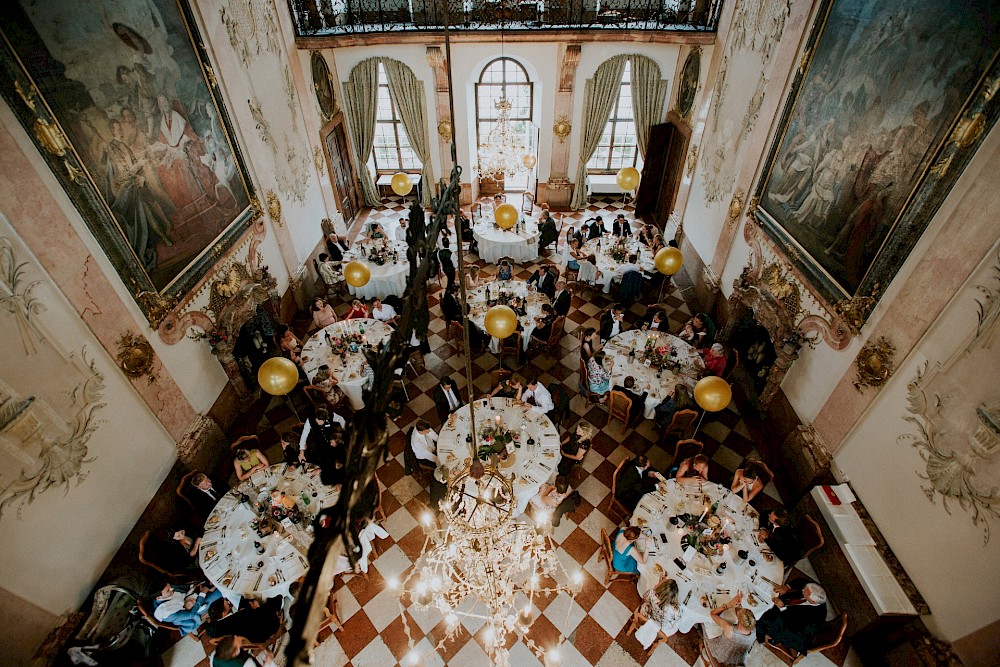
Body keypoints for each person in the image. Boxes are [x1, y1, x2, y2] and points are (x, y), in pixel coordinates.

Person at [756, 580, 828, 654]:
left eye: (804, 592)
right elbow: (801, 581)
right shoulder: (815, 590)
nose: (802, 590)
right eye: (804, 589)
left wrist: (782, 608)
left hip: (791, 630)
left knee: (763, 618)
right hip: (789, 609)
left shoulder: (815, 620)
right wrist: (787, 587)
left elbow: (792, 625)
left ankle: (761, 639)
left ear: (813, 601)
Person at [153, 581, 221, 636]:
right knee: (213, 595)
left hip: (188, 597)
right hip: (192, 612)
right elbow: (191, 614)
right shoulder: (167, 614)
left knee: (207, 583)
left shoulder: (167, 590)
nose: (172, 589)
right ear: (159, 598)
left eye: (170, 586)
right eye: (168, 590)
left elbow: (182, 589)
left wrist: (194, 587)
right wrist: (202, 594)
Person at [204, 597, 283, 643]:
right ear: (223, 613)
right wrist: (257, 608)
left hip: (243, 633)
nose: (229, 603)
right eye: (227, 603)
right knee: (275, 600)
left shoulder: (214, 628)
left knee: (244, 600)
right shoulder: (237, 619)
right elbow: (255, 618)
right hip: (260, 631)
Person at [708, 592, 757, 665]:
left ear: (739, 621)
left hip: (722, 656)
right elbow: (740, 615)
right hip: (738, 660)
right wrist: (738, 603)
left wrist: (728, 605)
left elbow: (712, 614)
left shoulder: (729, 629)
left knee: (706, 622)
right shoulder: (753, 629)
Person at [636, 575, 682, 648]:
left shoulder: (653, 592)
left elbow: (645, 597)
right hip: (660, 628)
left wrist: (658, 584)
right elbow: (675, 621)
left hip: (646, 616)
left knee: (646, 604)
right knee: (675, 625)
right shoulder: (675, 610)